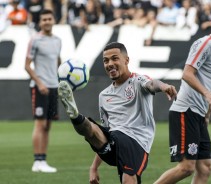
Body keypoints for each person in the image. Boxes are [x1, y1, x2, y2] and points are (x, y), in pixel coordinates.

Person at [58, 42, 177, 184]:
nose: (110, 64)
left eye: (115, 58)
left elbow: (152, 84)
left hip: (136, 141)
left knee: (128, 180)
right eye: (106, 60)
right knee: (93, 130)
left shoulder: (138, 81)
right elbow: (106, 133)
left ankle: (76, 117)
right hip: (115, 140)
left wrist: (163, 86)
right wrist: (94, 167)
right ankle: (75, 116)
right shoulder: (104, 95)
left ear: (126, 60)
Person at [154, 9, 211, 184]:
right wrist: (208, 96)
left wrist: (206, 114)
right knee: (186, 167)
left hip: (199, 114)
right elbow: (187, 74)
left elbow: (208, 82)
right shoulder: (205, 43)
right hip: (185, 110)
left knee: (205, 168)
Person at [25, 9, 61, 173]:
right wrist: (39, 83)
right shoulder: (35, 40)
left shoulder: (57, 40)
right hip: (40, 88)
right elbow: (26, 65)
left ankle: (43, 160)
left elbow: (58, 62)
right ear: (40, 22)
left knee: (48, 126)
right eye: (44, 19)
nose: (47, 21)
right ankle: (36, 161)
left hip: (54, 87)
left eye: (49, 18)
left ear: (54, 20)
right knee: (39, 124)